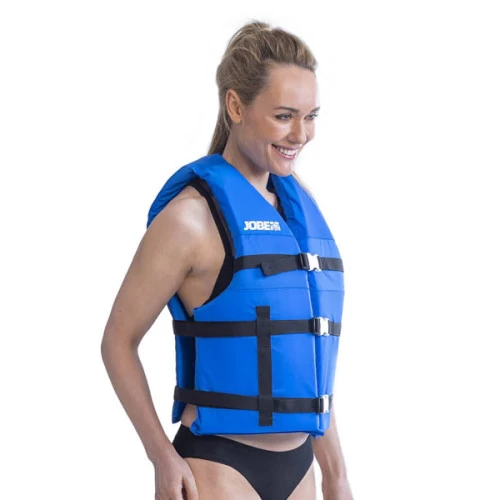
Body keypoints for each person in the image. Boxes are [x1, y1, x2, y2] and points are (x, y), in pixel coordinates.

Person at [101, 20, 354, 500]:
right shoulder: (190, 219)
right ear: (235, 106)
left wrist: (336, 475)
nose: (301, 134)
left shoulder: (298, 214)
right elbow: (118, 340)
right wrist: (161, 456)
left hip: (301, 467)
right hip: (219, 464)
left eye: (311, 116)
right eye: (284, 116)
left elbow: (305, 355)